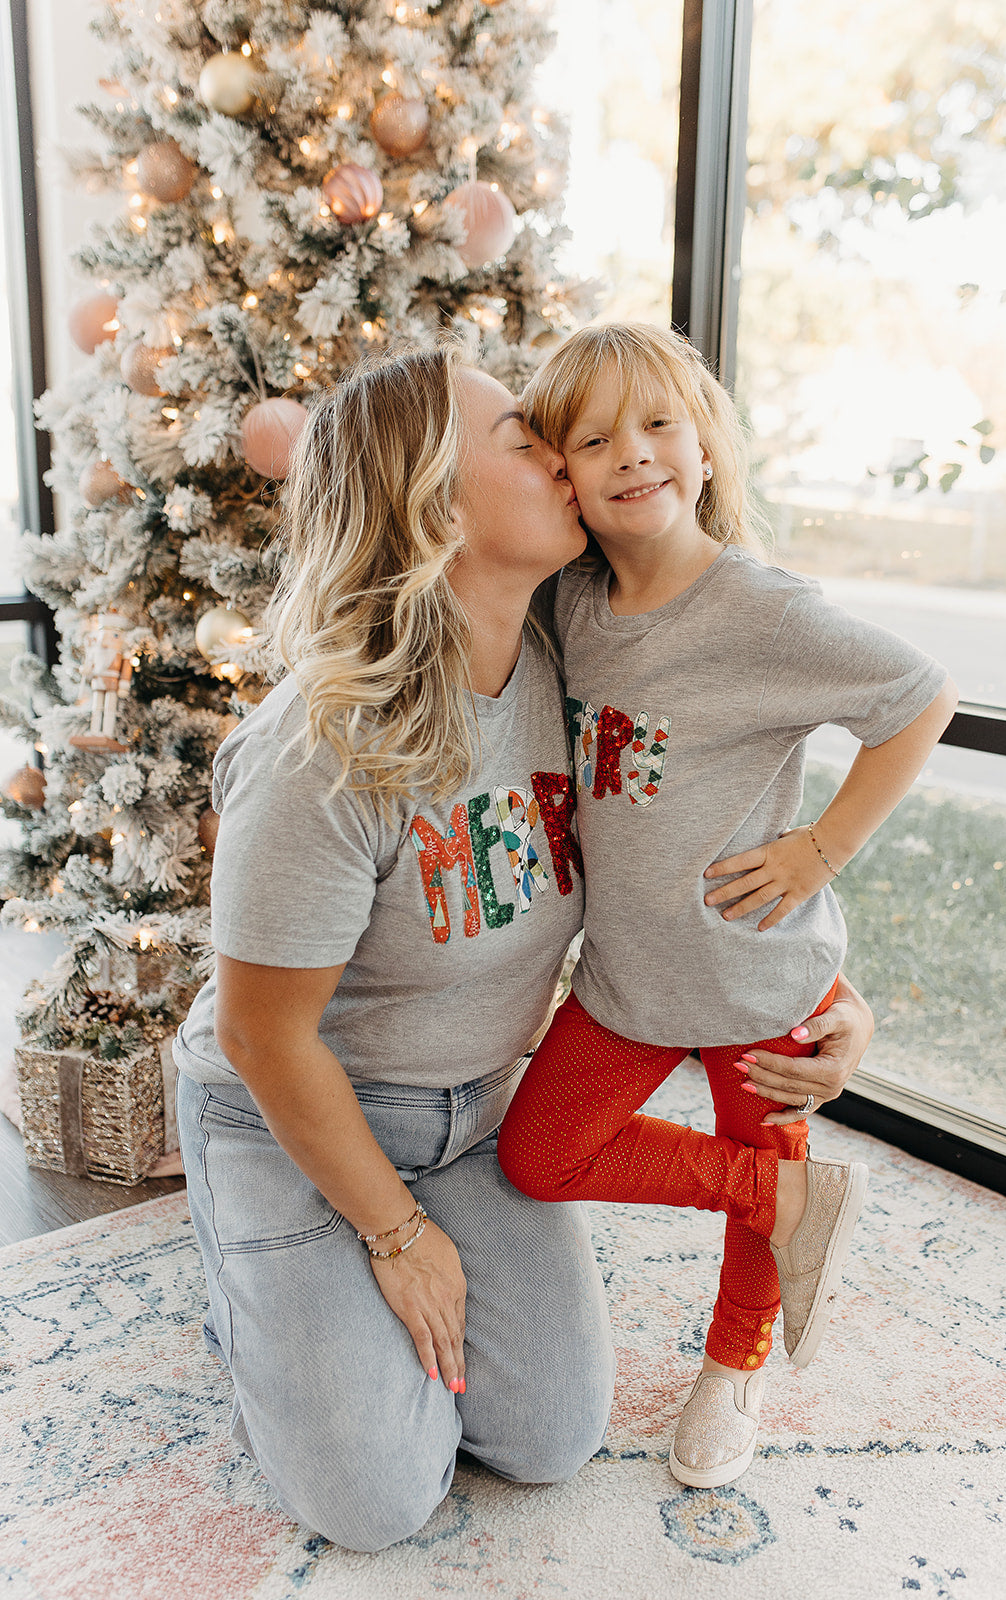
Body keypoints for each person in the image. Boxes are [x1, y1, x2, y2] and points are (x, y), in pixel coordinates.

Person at [173, 340, 876, 1553]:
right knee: (377, 1502)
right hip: (292, 1119)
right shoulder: (319, 749)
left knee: (549, 1439)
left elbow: (685, 841)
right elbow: (260, 1034)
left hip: (477, 1111)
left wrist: (820, 981)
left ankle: (337, 1303)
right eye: (522, 440)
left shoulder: (574, 655)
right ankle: (253, 1287)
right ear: (433, 505)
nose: (563, 457)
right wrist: (396, 1241)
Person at [497, 322, 958, 1492]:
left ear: (703, 443)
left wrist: (822, 848)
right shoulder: (571, 602)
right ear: (563, 473)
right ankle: (790, 1192)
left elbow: (917, 698)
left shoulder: (762, 611)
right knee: (541, 1152)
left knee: (758, 1219)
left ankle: (731, 1363)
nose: (632, 455)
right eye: (593, 439)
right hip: (625, 975)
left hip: (753, 973)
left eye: (657, 425)